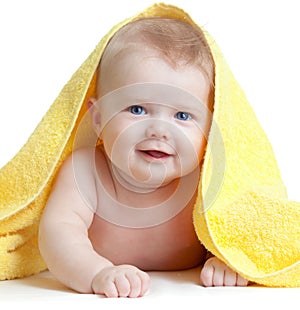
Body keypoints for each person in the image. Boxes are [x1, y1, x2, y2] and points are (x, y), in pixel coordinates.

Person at [38, 17, 248, 298]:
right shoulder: (86, 171)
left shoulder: (204, 180)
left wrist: (228, 259)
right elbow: (57, 233)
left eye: (182, 116)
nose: (160, 130)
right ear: (98, 118)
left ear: (210, 127)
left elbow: (234, 226)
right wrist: (96, 272)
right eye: (137, 109)